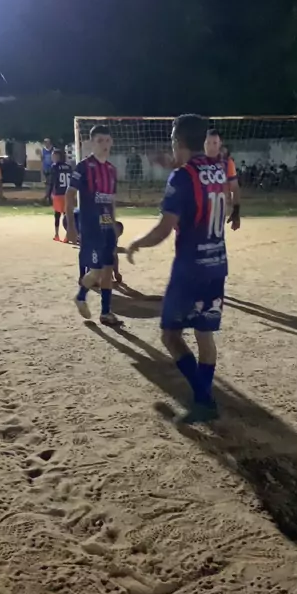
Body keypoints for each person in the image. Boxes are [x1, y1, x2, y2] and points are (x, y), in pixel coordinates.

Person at [127, 113, 236, 424]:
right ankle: (203, 399)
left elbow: (164, 229)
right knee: (204, 335)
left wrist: (137, 243)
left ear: (177, 141)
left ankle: (204, 399)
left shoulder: (181, 177)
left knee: (170, 336)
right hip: (217, 264)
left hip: (190, 270)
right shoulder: (218, 169)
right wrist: (173, 164)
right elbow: (209, 188)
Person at [65, 125, 122, 327]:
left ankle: (106, 312)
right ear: (91, 143)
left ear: (111, 142)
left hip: (107, 225)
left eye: (107, 140)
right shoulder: (83, 167)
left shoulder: (111, 170)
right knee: (96, 271)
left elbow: (111, 201)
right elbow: (69, 195)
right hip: (91, 226)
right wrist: (71, 226)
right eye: (100, 141)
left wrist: (113, 225)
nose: (104, 145)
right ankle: (80, 296)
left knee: (107, 270)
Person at [205, 129, 241, 230]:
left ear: (220, 143)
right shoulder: (197, 162)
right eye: (208, 143)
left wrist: (236, 211)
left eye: (215, 143)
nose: (211, 147)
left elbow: (235, 188)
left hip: (218, 212)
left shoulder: (227, 163)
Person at [49, 148, 71, 242]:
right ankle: (67, 235)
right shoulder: (69, 167)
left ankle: (57, 234)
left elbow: (53, 181)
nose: (52, 157)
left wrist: (50, 193)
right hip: (68, 193)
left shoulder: (55, 167)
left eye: (54, 155)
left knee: (57, 214)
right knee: (67, 215)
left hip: (58, 193)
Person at [41, 138, 54, 203]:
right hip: (45, 169)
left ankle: (47, 196)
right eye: (45, 142)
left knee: (50, 183)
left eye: (47, 142)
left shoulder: (53, 150)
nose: (46, 144)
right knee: (47, 184)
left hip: (52, 169)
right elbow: (42, 159)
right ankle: (48, 197)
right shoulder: (43, 150)